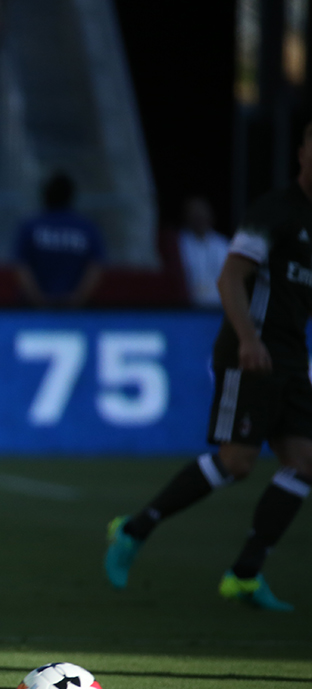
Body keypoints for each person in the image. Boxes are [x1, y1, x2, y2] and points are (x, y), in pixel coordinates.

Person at [104, 122, 312, 612]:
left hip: (292, 358)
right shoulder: (273, 212)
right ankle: (135, 529)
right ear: (301, 151)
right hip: (251, 351)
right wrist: (248, 339)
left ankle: (244, 573)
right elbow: (229, 277)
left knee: (304, 463)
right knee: (237, 462)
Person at [13, 171, 105, 309]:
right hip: (75, 310)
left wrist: (37, 299)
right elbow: (95, 268)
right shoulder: (86, 228)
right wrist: (78, 298)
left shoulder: (32, 226)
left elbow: (21, 267)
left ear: (45, 194)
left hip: (36, 310)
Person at [178, 195, 230, 309]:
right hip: (187, 308)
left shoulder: (223, 245)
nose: (199, 217)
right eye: (194, 213)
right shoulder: (179, 244)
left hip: (218, 309)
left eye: (202, 212)